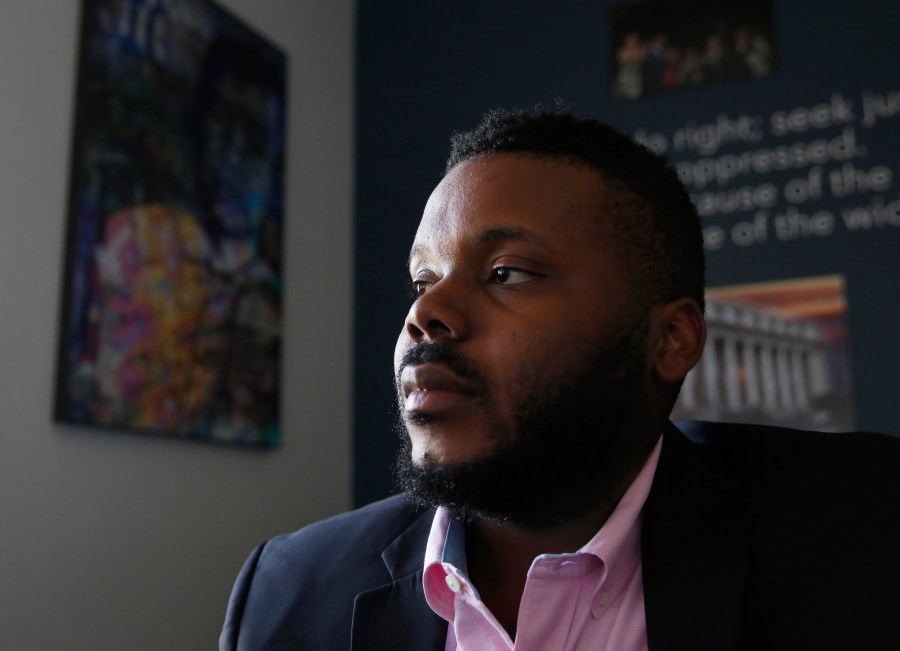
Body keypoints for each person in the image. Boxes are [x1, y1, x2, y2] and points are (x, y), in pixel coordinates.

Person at [220, 109, 900, 650]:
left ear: (670, 339)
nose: (425, 315)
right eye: (422, 281)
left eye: (506, 272)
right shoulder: (290, 592)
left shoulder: (862, 536)